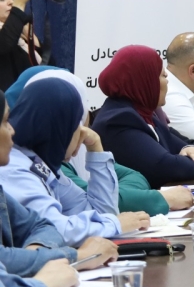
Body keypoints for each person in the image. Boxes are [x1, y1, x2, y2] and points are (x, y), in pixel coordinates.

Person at [5, 66, 194, 215]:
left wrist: (96, 147)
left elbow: (130, 181)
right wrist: (120, 216)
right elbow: (165, 165)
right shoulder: (119, 118)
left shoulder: (47, 164)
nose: (82, 127)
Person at [0, 87, 118, 287]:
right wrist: (50, 279)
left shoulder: (45, 164)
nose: (12, 130)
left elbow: (43, 226)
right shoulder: (16, 166)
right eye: (4, 122)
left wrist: (39, 252)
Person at [0, 78, 150, 246]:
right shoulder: (14, 168)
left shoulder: (36, 161)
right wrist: (115, 224)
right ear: (60, 127)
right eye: (76, 124)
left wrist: (96, 147)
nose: (81, 132)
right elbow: (54, 230)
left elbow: (101, 212)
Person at [92, 45, 194, 188]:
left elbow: (182, 145)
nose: (167, 81)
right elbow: (166, 167)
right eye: (163, 76)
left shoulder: (145, 113)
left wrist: (192, 151)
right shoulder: (119, 119)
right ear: (144, 81)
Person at [0, 0, 40, 91]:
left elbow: (47, 64)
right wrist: (19, 5)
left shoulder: (19, 36)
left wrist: (31, 37)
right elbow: (4, 44)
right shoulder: (8, 36)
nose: (11, 2)